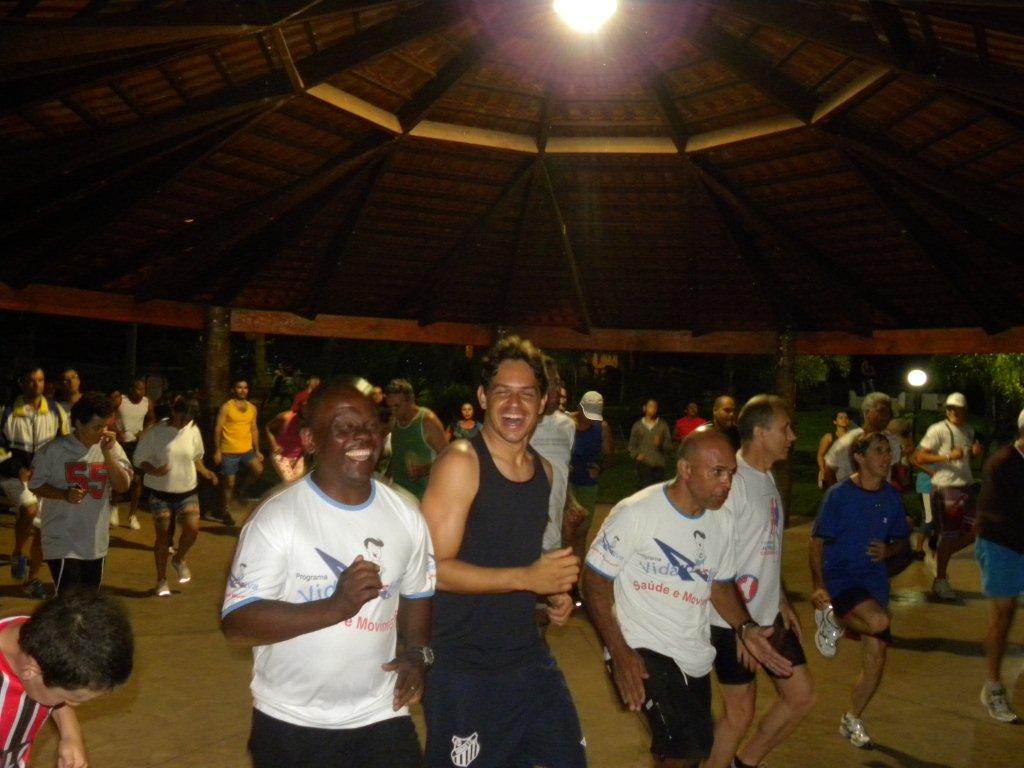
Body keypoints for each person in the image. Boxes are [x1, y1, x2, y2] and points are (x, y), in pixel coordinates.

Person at [221, 380, 434, 768]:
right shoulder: (277, 518)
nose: (362, 436)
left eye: (370, 426)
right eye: (344, 428)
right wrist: (336, 607)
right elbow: (237, 624)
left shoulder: (405, 513)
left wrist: (418, 653)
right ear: (310, 439)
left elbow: (418, 591)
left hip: (381, 713)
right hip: (292, 721)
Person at [583, 430, 794, 768]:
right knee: (684, 749)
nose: (727, 483)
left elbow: (720, 585)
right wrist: (619, 652)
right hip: (641, 646)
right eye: (717, 472)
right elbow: (594, 580)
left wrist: (745, 627)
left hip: (691, 652)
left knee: (693, 749)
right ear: (685, 469)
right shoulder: (637, 512)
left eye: (731, 473)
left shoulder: (722, 520)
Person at [421, 337, 585, 768]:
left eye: (527, 393)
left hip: (526, 655)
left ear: (543, 401)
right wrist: (527, 578)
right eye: (502, 392)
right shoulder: (461, 462)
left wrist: (549, 592)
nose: (515, 404)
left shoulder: (544, 472)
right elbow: (430, 570)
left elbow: (515, 555)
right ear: (482, 397)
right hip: (463, 665)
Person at [706, 396, 812, 768]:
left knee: (800, 696)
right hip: (732, 620)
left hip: (767, 614)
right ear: (760, 432)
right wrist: (743, 628)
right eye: (785, 429)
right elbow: (718, 563)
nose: (792, 436)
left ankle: (745, 763)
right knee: (739, 713)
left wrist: (780, 598)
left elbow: (762, 548)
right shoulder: (732, 484)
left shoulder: (765, 477)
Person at [809, 432, 909, 750]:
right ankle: (835, 618)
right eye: (879, 451)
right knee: (879, 622)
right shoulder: (839, 495)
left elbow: (902, 539)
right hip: (842, 578)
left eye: (888, 451)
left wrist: (889, 550)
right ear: (860, 458)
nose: (886, 457)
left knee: (876, 657)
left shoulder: (891, 497)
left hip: (874, 583)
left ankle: (852, 717)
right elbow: (817, 542)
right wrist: (819, 585)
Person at [0, 589, 134, 768]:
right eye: (67, 698)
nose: (71, 705)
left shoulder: (40, 633)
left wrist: (70, 734)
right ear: (31, 671)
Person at [28, 392, 133, 592]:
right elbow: (34, 484)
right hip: (61, 538)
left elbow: (122, 486)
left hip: (95, 541)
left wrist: (107, 454)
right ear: (79, 423)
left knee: (89, 600)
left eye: (105, 426)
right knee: (69, 599)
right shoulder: (54, 450)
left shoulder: (111, 447)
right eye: (96, 427)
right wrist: (63, 494)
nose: (102, 432)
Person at [134, 395, 218, 598]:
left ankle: (179, 559)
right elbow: (139, 459)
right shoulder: (156, 432)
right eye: (183, 417)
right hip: (161, 492)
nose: (185, 422)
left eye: (190, 418)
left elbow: (196, 457)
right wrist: (155, 470)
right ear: (174, 411)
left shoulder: (192, 429)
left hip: (187, 489)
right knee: (163, 535)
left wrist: (206, 472)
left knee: (192, 529)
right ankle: (161, 580)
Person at [973, 407, 1024, 723]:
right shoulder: (1003, 462)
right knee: (1003, 612)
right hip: (1000, 544)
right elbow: (994, 514)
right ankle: (992, 686)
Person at [1, 364, 68, 598]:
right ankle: (18, 552)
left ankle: (32, 580)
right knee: (29, 510)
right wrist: (17, 468)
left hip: (45, 477)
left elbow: (65, 444)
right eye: (31, 380)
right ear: (21, 383)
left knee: (43, 530)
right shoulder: (6, 412)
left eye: (40, 380)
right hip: (13, 476)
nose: (36, 384)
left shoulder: (56, 411)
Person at [912, 392, 984, 601]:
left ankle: (943, 553)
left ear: (965, 411)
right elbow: (919, 457)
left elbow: (966, 460)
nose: (954, 412)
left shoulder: (968, 430)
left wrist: (975, 453)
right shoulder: (938, 430)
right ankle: (941, 579)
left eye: (958, 408)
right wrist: (946, 456)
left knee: (977, 529)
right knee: (951, 535)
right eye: (950, 408)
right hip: (946, 487)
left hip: (966, 486)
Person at [530, 357, 584, 555]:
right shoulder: (519, 425)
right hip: (524, 539)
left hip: (554, 538)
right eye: (552, 383)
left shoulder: (567, 425)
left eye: (559, 382)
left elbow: (562, 469)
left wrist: (571, 502)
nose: (558, 389)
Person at [567, 390, 613, 567]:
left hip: (587, 484)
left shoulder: (602, 428)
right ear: (580, 407)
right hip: (567, 484)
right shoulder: (566, 422)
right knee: (565, 533)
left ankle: (576, 578)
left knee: (581, 533)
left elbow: (609, 456)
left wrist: (600, 469)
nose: (590, 419)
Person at [383, 379, 447, 500]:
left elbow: (448, 458)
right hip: (400, 495)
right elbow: (397, 454)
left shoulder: (427, 421)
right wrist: (385, 478)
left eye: (397, 406)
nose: (393, 411)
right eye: (390, 407)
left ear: (411, 400)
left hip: (425, 498)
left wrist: (422, 470)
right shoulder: (394, 421)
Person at [213, 378, 264, 526]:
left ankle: (242, 489)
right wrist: (217, 450)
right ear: (234, 390)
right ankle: (226, 511)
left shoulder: (252, 408)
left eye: (245, 388)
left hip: (247, 449)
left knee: (258, 470)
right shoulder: (227, 407)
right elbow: (218, 428)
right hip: (229, 450)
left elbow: (254, 429)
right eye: (239, 387)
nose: (243, 390)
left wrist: (257, 450)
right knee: (229, 483)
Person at [823, 392, 901, 486]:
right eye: (881, 411)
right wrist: (838, 493)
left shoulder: (892, 441)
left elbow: (895, 472)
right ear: (867, 412)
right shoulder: (846, 441)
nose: (886, 415)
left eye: (889, 412)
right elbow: (829, 470)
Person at [113, 378, 154, 531]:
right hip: (121, 444)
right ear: (131, 389)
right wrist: (117, 432)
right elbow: (107, 416)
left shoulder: (147, 403)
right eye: (138, 388)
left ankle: (132, 515)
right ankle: (114, 505)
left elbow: (151, 418)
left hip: (138, 445)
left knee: (137, 480)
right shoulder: (120, 400)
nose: (141, 392)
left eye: (143, 389)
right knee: (120, 476)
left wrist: (145, 431)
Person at [628, 399, 670, 490]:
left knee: (657, 491)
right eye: (650, 406)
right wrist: (636, 455)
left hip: (659, 464)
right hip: (643, 464)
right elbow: (631, 445)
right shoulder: (637, 425)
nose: (653, 409)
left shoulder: (663, 425)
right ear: (645, 408)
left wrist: (660, 444)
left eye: (655, 407)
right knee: (645, 490)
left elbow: (668, 444)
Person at [264, 404, 307, 484]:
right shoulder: (286, 417)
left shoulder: (312, 422)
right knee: (289, 482)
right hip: (281, 455)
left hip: (298, 456)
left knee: (299, 482)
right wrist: (274, 445)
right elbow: (268, 427)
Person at [816, 411, 851, 489]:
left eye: (846, 418)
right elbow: (820, 455)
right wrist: (822, 471)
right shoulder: (829, 437)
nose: (844, 420)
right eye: (841, 418)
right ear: (835, 421)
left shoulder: (853, 437)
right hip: (832, 471)